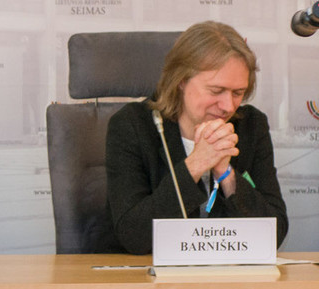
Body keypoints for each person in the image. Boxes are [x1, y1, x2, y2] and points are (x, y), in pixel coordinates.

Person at [105, 21, 288, 254]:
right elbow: (134, 235)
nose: (228, 106)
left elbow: (274, 234)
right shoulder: (132, 125)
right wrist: (195, 164)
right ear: (181, 80)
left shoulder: (251, 126)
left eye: (238, 93)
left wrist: (226, 174)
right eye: (216, 91)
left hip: (229, 272)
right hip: (149, 272)